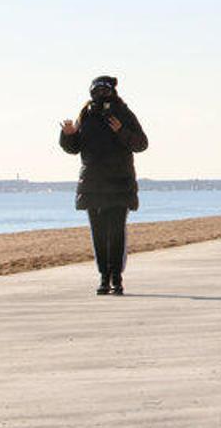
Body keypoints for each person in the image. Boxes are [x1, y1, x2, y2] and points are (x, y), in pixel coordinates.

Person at [60, 76, 148, 296]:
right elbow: (74, 148)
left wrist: (120, 130)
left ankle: (117, 278)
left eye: (104, 90)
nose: (101, 95)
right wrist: (68, 135)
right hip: (92, 184)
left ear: (113, 92)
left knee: (116, 233)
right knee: (98, 233)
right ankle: (103, 277)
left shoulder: (123, 113)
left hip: (120, 183)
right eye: (97, 90)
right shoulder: (86, 114)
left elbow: (141, 144)